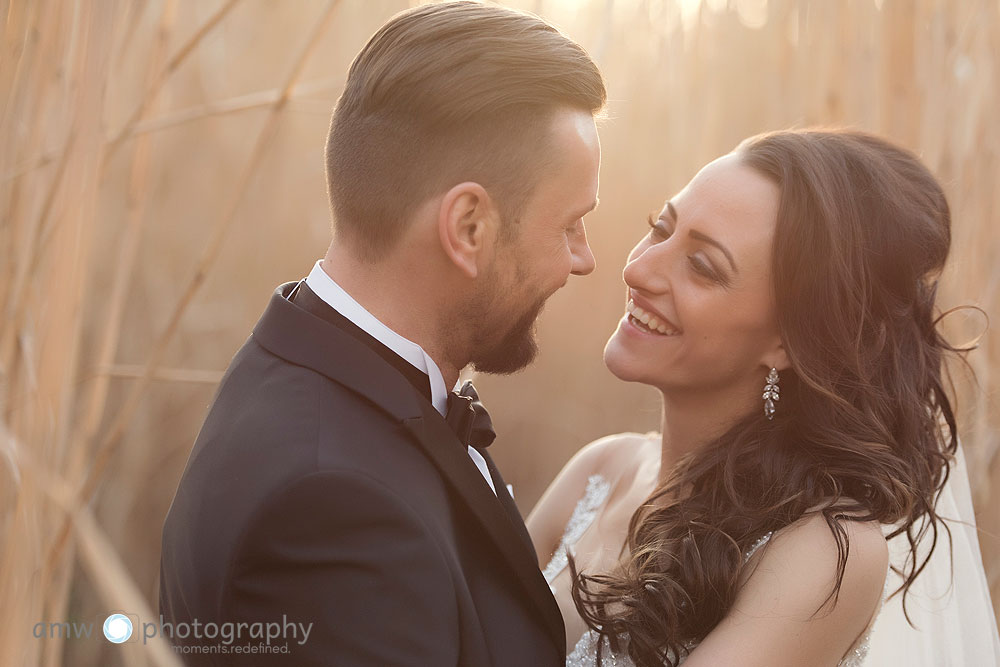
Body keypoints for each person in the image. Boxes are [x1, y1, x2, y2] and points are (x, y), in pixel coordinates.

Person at [158, 2, 604, 664]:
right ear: (469, 227)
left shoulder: (301, 372)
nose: (583, 257)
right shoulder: (334, 507)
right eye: (569, 224)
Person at [527, 129, 1000, 666]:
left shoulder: (825, 548)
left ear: (787, 341)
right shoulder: (598, 471)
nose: (638, 268)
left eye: (703, 266)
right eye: (661, 228)